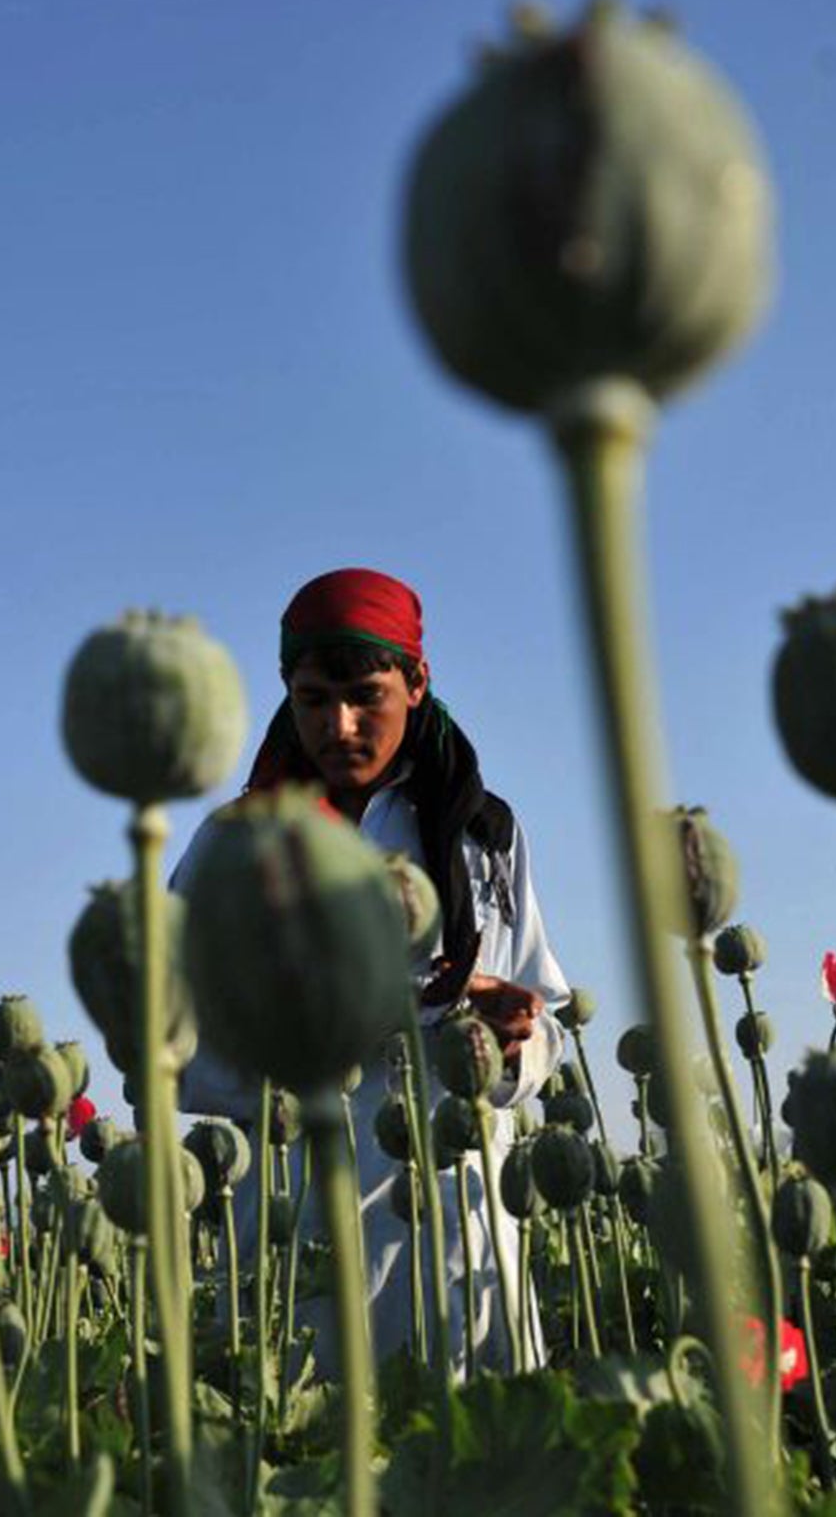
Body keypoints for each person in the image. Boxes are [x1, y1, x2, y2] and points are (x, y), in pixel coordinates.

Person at [177, 567, 567, 1372]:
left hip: (463, 1229)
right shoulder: (232, 847)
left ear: (417, 683)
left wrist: (509, 1045)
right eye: (314, 699)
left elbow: (545, 1031)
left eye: (366, 696)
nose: (339, 724)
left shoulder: (482, 837)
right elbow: (176, 1053)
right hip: (296, 1226)